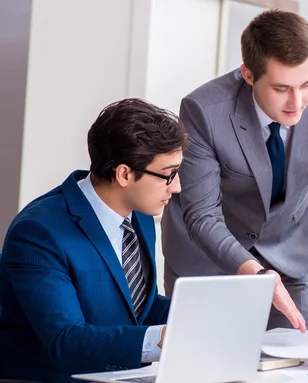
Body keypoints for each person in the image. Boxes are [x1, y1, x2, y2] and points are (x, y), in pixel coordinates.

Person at [160, 9, 308, 333]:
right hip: (208, 262)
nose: (298, 101)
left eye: (307, 83)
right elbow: (202, 216)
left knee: (294, 369)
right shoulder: (204, 111)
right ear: (249, 75)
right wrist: (259, 276)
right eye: (282, 89)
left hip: (289, 256)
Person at [0, 98, 188, 382]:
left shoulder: (141, 216)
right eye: (168, 175)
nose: (177, 187)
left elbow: (135, 307)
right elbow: (66, 340)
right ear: (124, 174)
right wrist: (160, 339)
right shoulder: (39, 232)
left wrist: (199, 312)